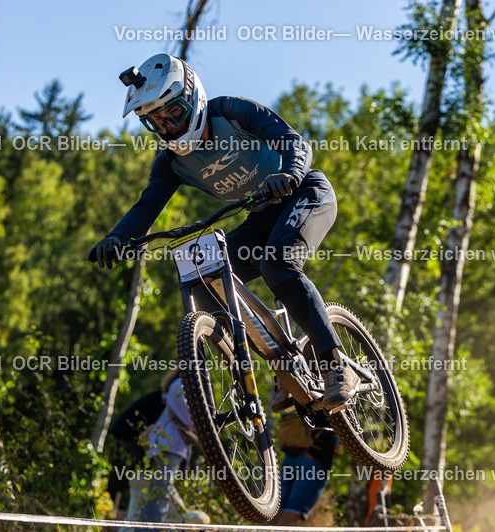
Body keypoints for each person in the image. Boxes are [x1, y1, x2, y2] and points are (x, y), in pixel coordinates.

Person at [88, 52, 357, 410]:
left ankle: (335, 364)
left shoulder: (231, 111)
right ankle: (285, 367)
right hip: (260, 217)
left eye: (175, 113)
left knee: (276, 265)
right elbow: (146, 207)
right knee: (204, 278)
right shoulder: (171, 163)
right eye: (158, 121)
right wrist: (117, 238)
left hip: (304, 192)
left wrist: (290, 172)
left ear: (193, 97)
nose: (171, 127)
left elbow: (295, 142)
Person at [125, 370, 199, 532]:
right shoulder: (182, 386)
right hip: (169, 444)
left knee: (159, 492)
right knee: (160, 496)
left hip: (166, 443)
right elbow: (191, 419)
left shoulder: (176, 384)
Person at [259, 410, 339, 532]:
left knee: (277, 511)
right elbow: (337, 447)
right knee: (291, 513)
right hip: (313, 464)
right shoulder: (333, 404)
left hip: (290, 460)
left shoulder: (302, 397)